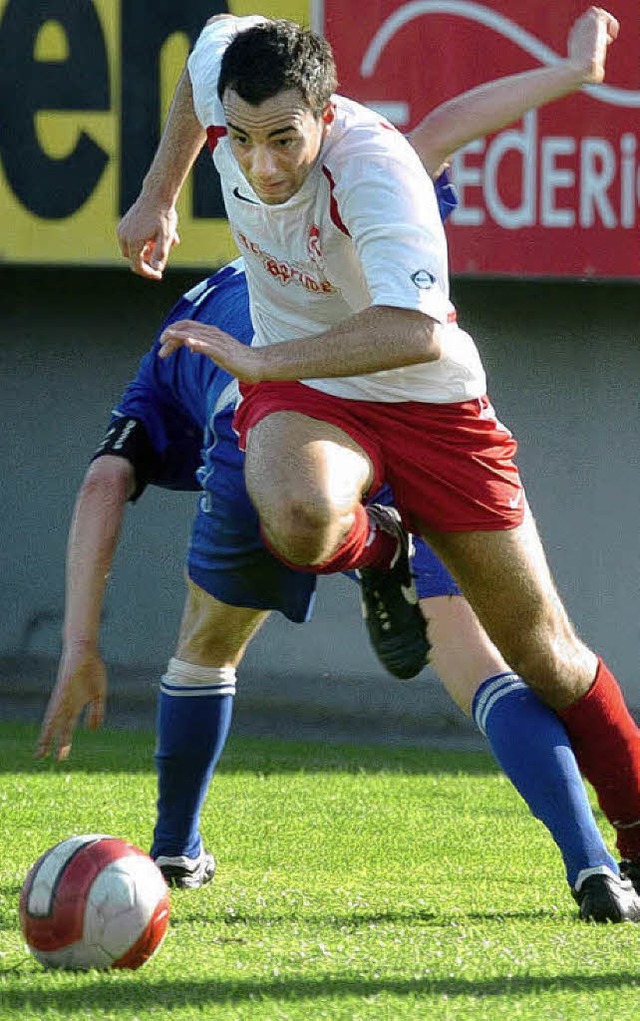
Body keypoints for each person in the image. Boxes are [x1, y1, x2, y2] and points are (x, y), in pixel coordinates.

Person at [115, 6, 640, 922]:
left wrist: (262, 362)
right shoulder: (226, 68)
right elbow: (195, 89)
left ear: (327, 115)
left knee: (545, 655)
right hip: (312, 396)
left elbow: (410, 330)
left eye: (284, 139)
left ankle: (629, 831)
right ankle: (379, 547)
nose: (263, 163)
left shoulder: (382, 170)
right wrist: (162, 192)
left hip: (429, 401)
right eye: (242, 139)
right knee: (296, 512)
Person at [37, 257, 627, 920]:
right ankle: (595, 867)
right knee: (481, 659)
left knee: (206, 643)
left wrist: (80, 643)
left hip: (269, 438)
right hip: (421, 413)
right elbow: (421, 184)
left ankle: (174, 850)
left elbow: (103, 482)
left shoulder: (178, 340)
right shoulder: (352, 235)